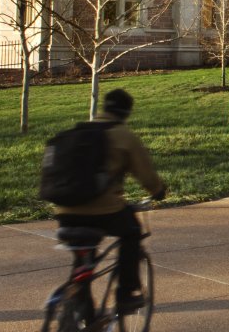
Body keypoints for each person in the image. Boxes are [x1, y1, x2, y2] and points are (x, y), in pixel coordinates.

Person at [53, 88, 166, 313]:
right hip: (104, 210)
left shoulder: (78, 130)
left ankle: (81, 316)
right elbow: (146, 174)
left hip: (65, 210)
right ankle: (126, 294)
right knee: (132, 233)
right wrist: (158, 191)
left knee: (83, 261)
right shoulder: (123, 134)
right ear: (126, 112)